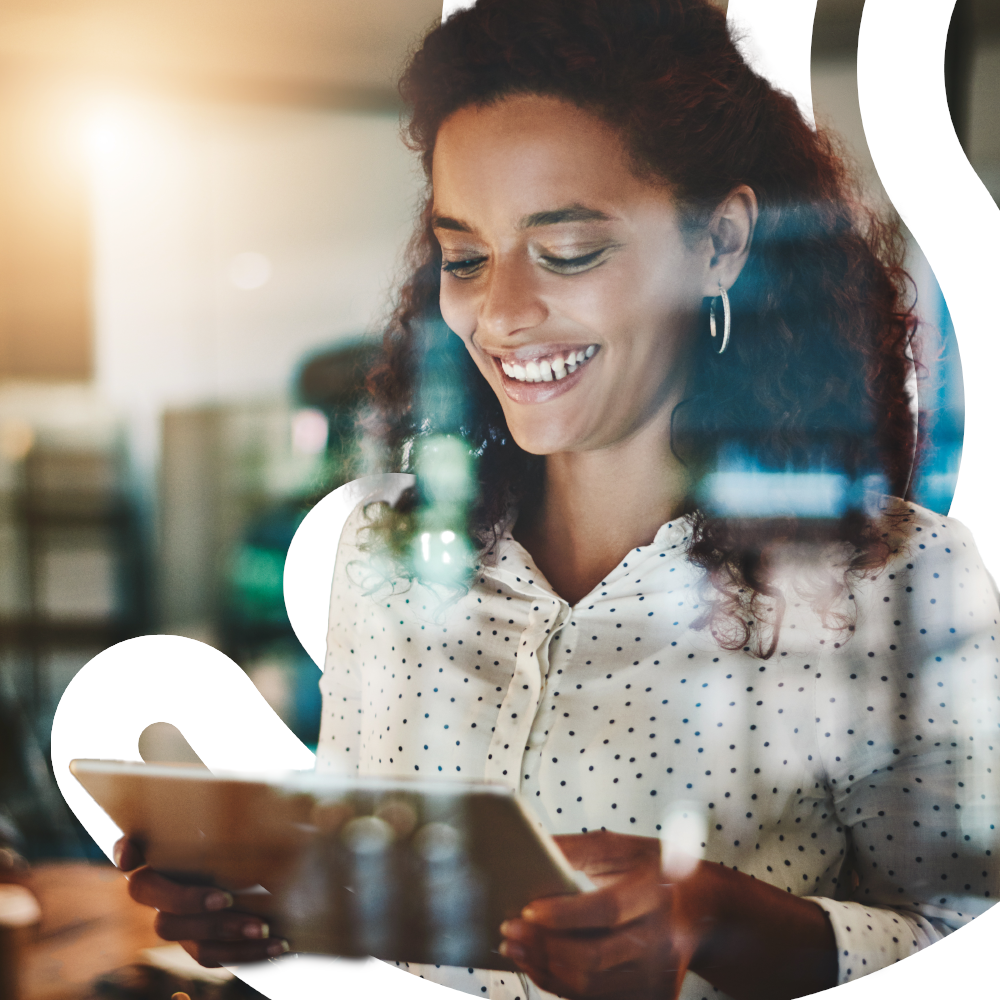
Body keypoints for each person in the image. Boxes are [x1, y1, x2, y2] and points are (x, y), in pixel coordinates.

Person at [116, 2, 1000, 999]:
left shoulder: (892, 583)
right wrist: (275, 915)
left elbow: (974, 947)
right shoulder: (388, 553)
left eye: (569, 250)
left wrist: (724, 919)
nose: (499, 311)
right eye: (463, 255)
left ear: (720, 243)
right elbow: (380, 922)